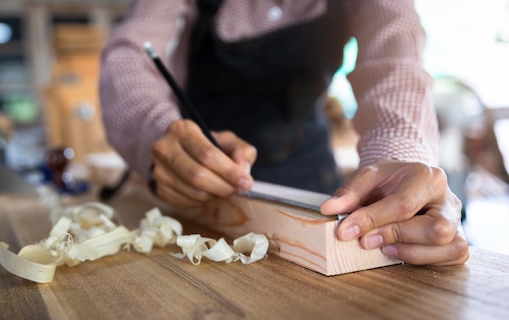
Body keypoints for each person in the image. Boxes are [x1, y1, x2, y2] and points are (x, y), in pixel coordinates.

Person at [99, 0, 469, 266]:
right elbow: (129, 56)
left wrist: (400, 161)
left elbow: (395, 63)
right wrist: (156, 130)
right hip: (198, 189)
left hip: (310, 177)